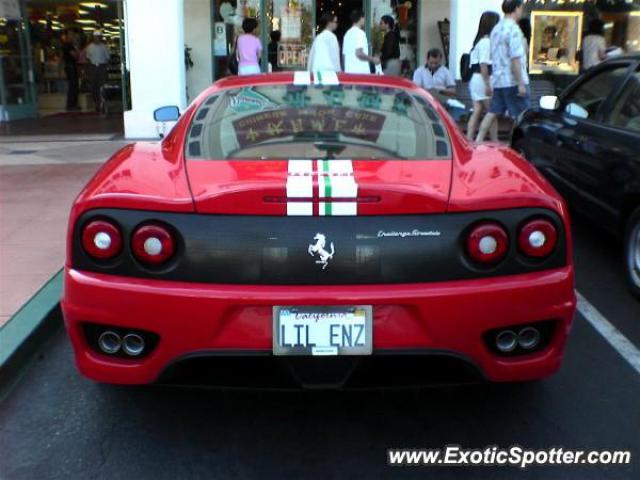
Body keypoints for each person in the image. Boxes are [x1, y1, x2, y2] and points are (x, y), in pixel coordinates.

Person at [476, 0, 529, 142]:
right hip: (512, 80)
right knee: (523, 115)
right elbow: (515, 58)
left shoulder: (496, 29)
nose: (521, 11)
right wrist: (521, 83)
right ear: (516, 8)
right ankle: (517, 144)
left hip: (499, 79)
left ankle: (478, 140)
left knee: (493, 112)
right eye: (521, 8)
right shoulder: (514, 29)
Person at [466, 12, 500, 141]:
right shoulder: (487, 42)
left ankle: (469, 139)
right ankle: (487, 140)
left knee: (478, 110)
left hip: (475, 79)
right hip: (483, 79)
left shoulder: (479, 41)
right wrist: (487, 84)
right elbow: (484, 65)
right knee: (492, 112)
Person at [343, 10, 380, 74]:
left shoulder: (347, 34)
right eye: (364, 18)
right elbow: (359, 53)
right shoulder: (360, 33)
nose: (365, 20)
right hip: (361, 73)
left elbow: (344, 55)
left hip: (349, 72)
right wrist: (373, 59)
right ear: (361, 18)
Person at [84, 31, 110, 112]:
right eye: (95, 37)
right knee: (93, 86)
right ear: (93, 37)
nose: (97, 38)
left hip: (102, 67)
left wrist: (105, 67)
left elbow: (108, 58)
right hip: (93, 67)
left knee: (102, 86)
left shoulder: (104, 47)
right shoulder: (89, 47)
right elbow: (88, 59)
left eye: (98, 37)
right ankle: (96, 103)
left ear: (100, 37)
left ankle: (102, 102)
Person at [61, 29, 80, 111]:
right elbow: (76, 55)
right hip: (70, 66)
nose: (73, 36)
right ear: (67, 35)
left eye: (73, 34)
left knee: (74, 85)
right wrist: (76, 48)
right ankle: (71, 105)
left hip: (71, 66)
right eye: (71, 34)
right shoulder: (67, 45)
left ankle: (72, 104)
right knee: (73, 85)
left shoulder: (69, 45)